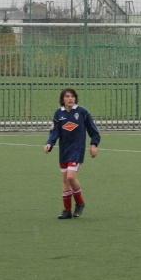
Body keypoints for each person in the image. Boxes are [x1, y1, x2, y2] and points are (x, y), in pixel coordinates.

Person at [44, 87, 100, 219]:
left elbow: (93, 131)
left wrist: (93, 145)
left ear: (75, 98)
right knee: (65, 180)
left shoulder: (82, 112)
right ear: (62, 99)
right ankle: (67, 210)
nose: (70, 99)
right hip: (64, 150)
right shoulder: (59, 113)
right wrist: (49, 143)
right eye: (67, 96)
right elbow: (55, 132)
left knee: (70, 177)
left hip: (77, 149)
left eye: (72, 96)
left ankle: (80, 202)